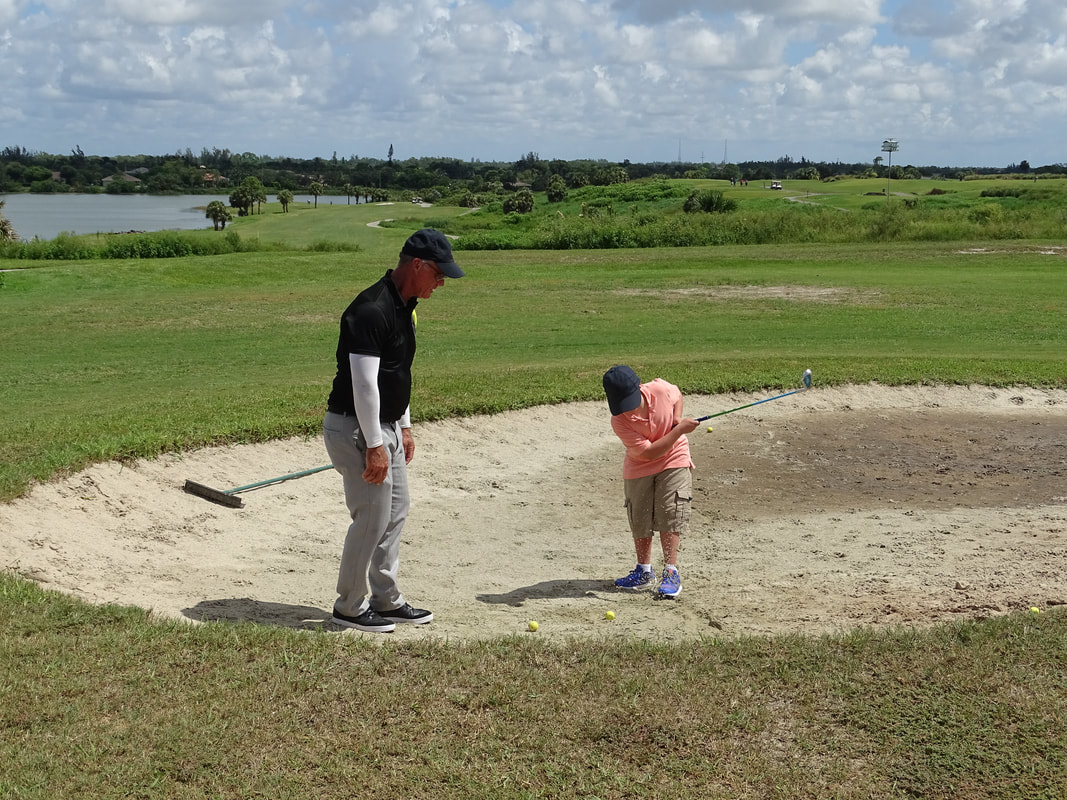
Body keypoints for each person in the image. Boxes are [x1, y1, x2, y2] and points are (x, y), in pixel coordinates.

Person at [324, 229, 464, 632]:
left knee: (395, 511)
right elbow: (364, 384)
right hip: (357, 427)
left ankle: (386, 599)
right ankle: (349, 606)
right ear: (417, 265)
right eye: (439, 274)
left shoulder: (405, 305)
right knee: (371, 517)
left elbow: (395, 374)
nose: (442, 283)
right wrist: (374, 444)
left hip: (385, 426)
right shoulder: (371, 310)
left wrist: (404, 425)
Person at [602, 365, 698, 598]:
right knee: (640, 515)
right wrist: (680, 430)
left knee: (670, 510)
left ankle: (670, 571)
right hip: (641, 463)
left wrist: (676, 419)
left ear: (639, 388)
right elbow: (649, 453)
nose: (628, 408)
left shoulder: (660, 389)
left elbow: (677, 395)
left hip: (675, 457)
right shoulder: (619, 421)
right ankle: (644, 571)